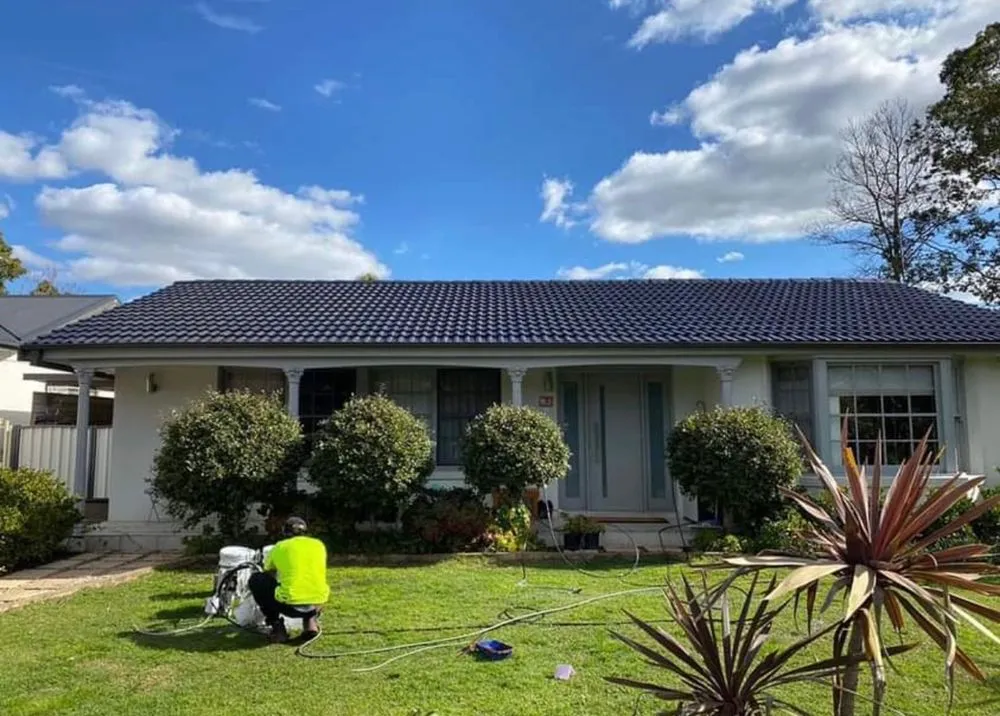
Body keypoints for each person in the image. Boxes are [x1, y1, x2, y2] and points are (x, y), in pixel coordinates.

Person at [248, 516, 330, 643]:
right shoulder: (319, 545)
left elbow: (269, 572)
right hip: (318, 602)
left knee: (257, 580)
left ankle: (278, 628)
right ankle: (310, 623)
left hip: (291, 607)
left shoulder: (280, 547)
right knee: (310, 583)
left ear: (285, 532)